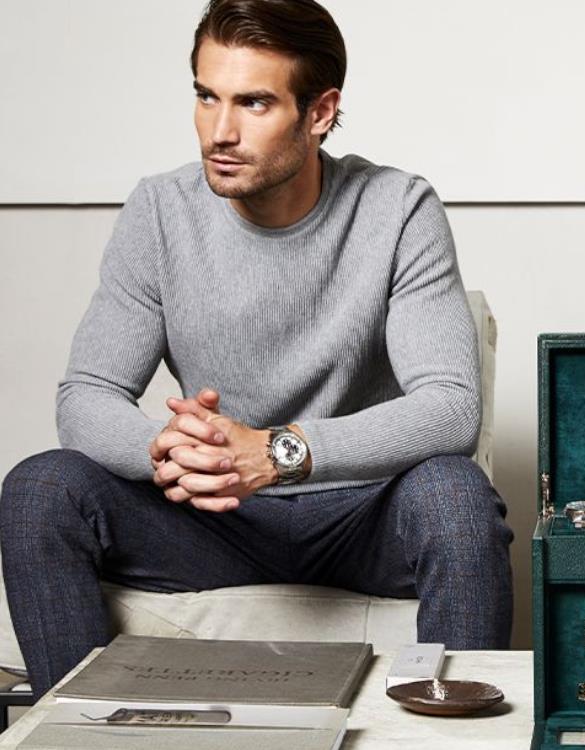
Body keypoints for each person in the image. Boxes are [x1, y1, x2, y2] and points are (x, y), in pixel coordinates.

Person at [0, 0, 513, 698]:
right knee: (40, 488)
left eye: (254, 103)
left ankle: (454, 738)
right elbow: (86, 394)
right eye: (206, 96)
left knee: (456, 496)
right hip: (212, 522)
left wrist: (275, 452)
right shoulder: (160, 211)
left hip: (358, 517)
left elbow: (449, 408)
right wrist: (171, 452)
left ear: (320, 112)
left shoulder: (397, 208)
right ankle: (83, 733)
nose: (220, 130)